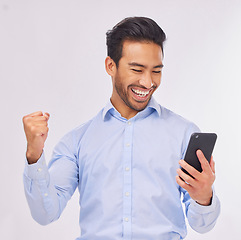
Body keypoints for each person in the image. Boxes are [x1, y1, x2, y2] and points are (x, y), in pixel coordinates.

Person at [22, 17, 220, 240]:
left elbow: (202, 225)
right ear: (110, 66)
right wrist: (34, 155)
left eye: (156, 71)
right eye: (137, 69)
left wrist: (204, 197)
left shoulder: (183, 133)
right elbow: (45, 213)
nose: (148, 83)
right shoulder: (77, 142)